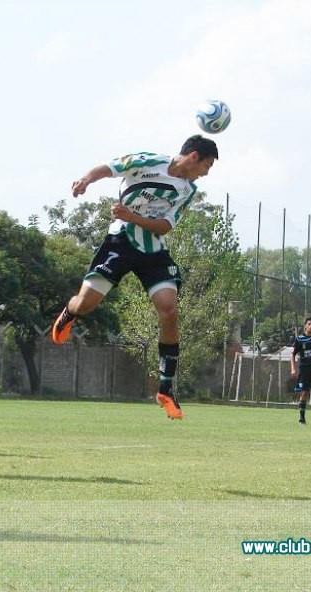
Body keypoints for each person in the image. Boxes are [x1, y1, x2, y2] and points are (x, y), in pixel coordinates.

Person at [50, 135, 218, 420]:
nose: (206, 172)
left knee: (169, 310)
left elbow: (164, 227)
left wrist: (133, 216)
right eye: (207, 165)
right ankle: (70, 311)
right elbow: (108, 167)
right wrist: (85, 180)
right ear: (193, 156)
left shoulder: (187, 190)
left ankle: (166, 389)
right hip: (119, 243)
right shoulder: (149, 161)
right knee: (85, 305)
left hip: (153, 251)